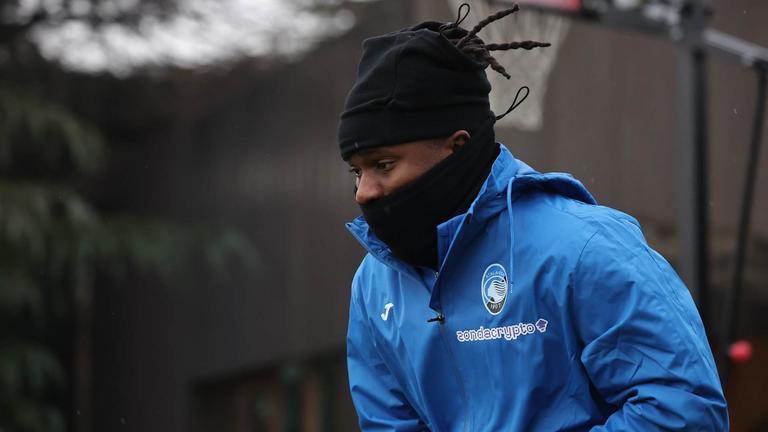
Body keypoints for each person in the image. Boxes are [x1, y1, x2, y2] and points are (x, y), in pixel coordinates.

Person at [338, 4, 728, 431]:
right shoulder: (374, 285)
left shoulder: (584, 248)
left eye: (384, 164)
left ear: (457, 146)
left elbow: (683, 412)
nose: (364, 192)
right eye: (357, 170)